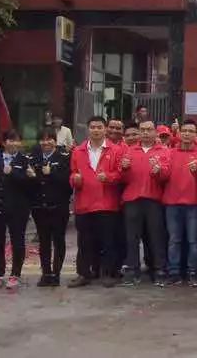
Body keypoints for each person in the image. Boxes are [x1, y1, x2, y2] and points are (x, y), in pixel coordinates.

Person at [69, 116, 123, 288]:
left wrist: (109, 177)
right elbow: (73, 173)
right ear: (88, 129)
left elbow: (121, 174)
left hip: (107, 204)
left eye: (99, 127)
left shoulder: (115, 150)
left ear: (105, 129)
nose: (96, 130)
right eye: (93, 127)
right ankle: (83, 273)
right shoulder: (78, 151)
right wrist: (75, 179)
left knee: (108, 241)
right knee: (84, 242)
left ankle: (107, 273)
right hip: (84, 204)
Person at [117, 120, 169, 286]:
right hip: (132, 199)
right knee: (132, 237)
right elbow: (122, 178)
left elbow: (167, 176)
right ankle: (132, 269)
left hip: (154, 199)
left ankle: (159, 269)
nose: (146, 132)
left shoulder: (164, 151)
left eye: (149, 129)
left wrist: (159, 171)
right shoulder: (130, 151)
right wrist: (124, 168)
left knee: (156, 237)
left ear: (155, 132)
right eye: (143, 130)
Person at [0, 130, 33, 291]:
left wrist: (15, 173)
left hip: (18, 209)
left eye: (16, 140)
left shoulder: (26, 160)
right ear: (3, 143)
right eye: (10, 140)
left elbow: (30, 185)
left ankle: (15, 274)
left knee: (17, 241)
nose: (13, 143)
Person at [162, 120, 197, 287]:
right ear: (179, 133)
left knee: (193, 240)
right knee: (174, 240)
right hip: (172, 202)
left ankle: (193, 272)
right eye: (184, 131)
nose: (187, 134)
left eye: (191, 131)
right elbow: (163, 176)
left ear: (196, 134)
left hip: (194, 203)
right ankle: (174, 272)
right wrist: (157, 171)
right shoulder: (170, 153)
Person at [28, 128, 71, 286]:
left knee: (59, 240)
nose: (46, 142)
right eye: (43, 139)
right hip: (39, 207)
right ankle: (46, 273)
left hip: (59, 207)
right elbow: (28, 183)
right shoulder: (33, 158)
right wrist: (33, 177)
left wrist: (51, 173)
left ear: (55, 140)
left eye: (49, 139)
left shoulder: (64, 157)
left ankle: (56, 274)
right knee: (44, 241)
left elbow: (68, 183)